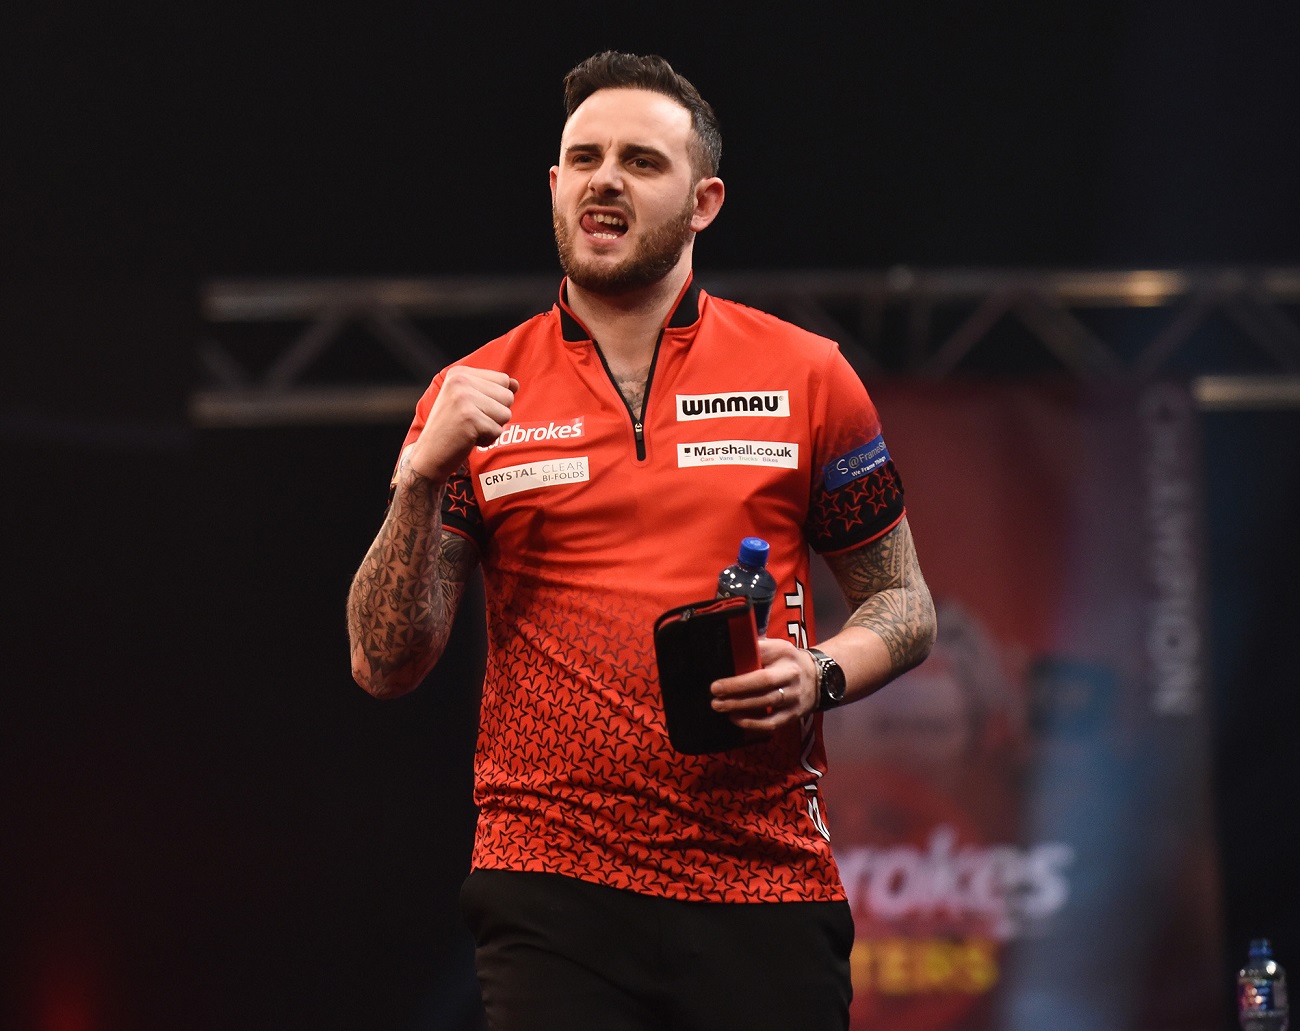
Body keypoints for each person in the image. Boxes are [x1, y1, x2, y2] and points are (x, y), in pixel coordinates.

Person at [347, 50, 937, 1031]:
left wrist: (821, 673)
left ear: (704, 201)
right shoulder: (470, 395)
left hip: (764, 877)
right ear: (554, 184)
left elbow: (905, 603)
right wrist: (418, 479)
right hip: (550, 882)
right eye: (584, 158)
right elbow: (383, 661)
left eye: (640, 160)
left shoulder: (808, 374)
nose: (605, 179)